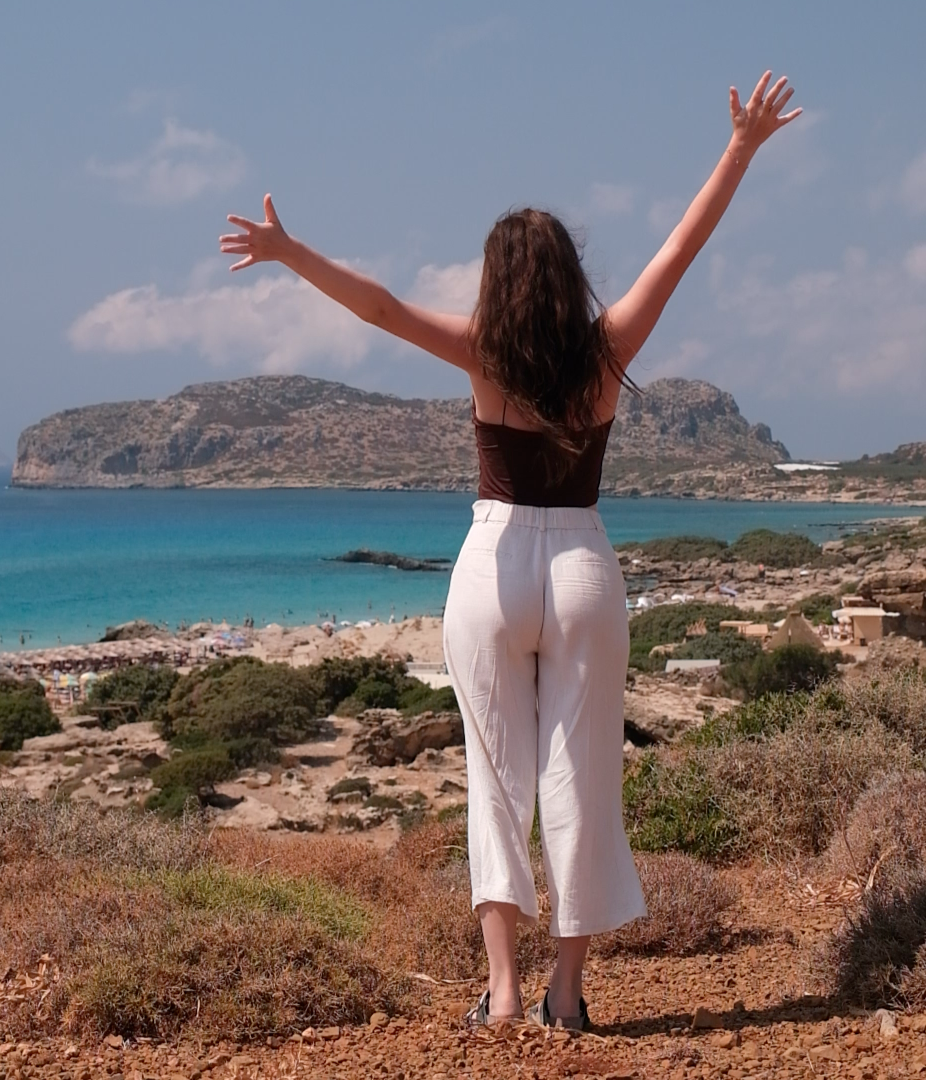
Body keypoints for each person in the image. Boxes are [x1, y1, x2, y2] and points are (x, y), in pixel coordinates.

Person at [220, 71, 801, 1029]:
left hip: (491, 570)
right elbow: (681, 249)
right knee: (582, 776)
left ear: (497, 280)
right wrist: (739, 149)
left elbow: (377, 307)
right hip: (581, 567)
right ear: (570, 275)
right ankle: (564, 997)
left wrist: (288, 253)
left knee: (495, 780)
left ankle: (498, 992)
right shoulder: (608, 346)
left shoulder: (483, 349)